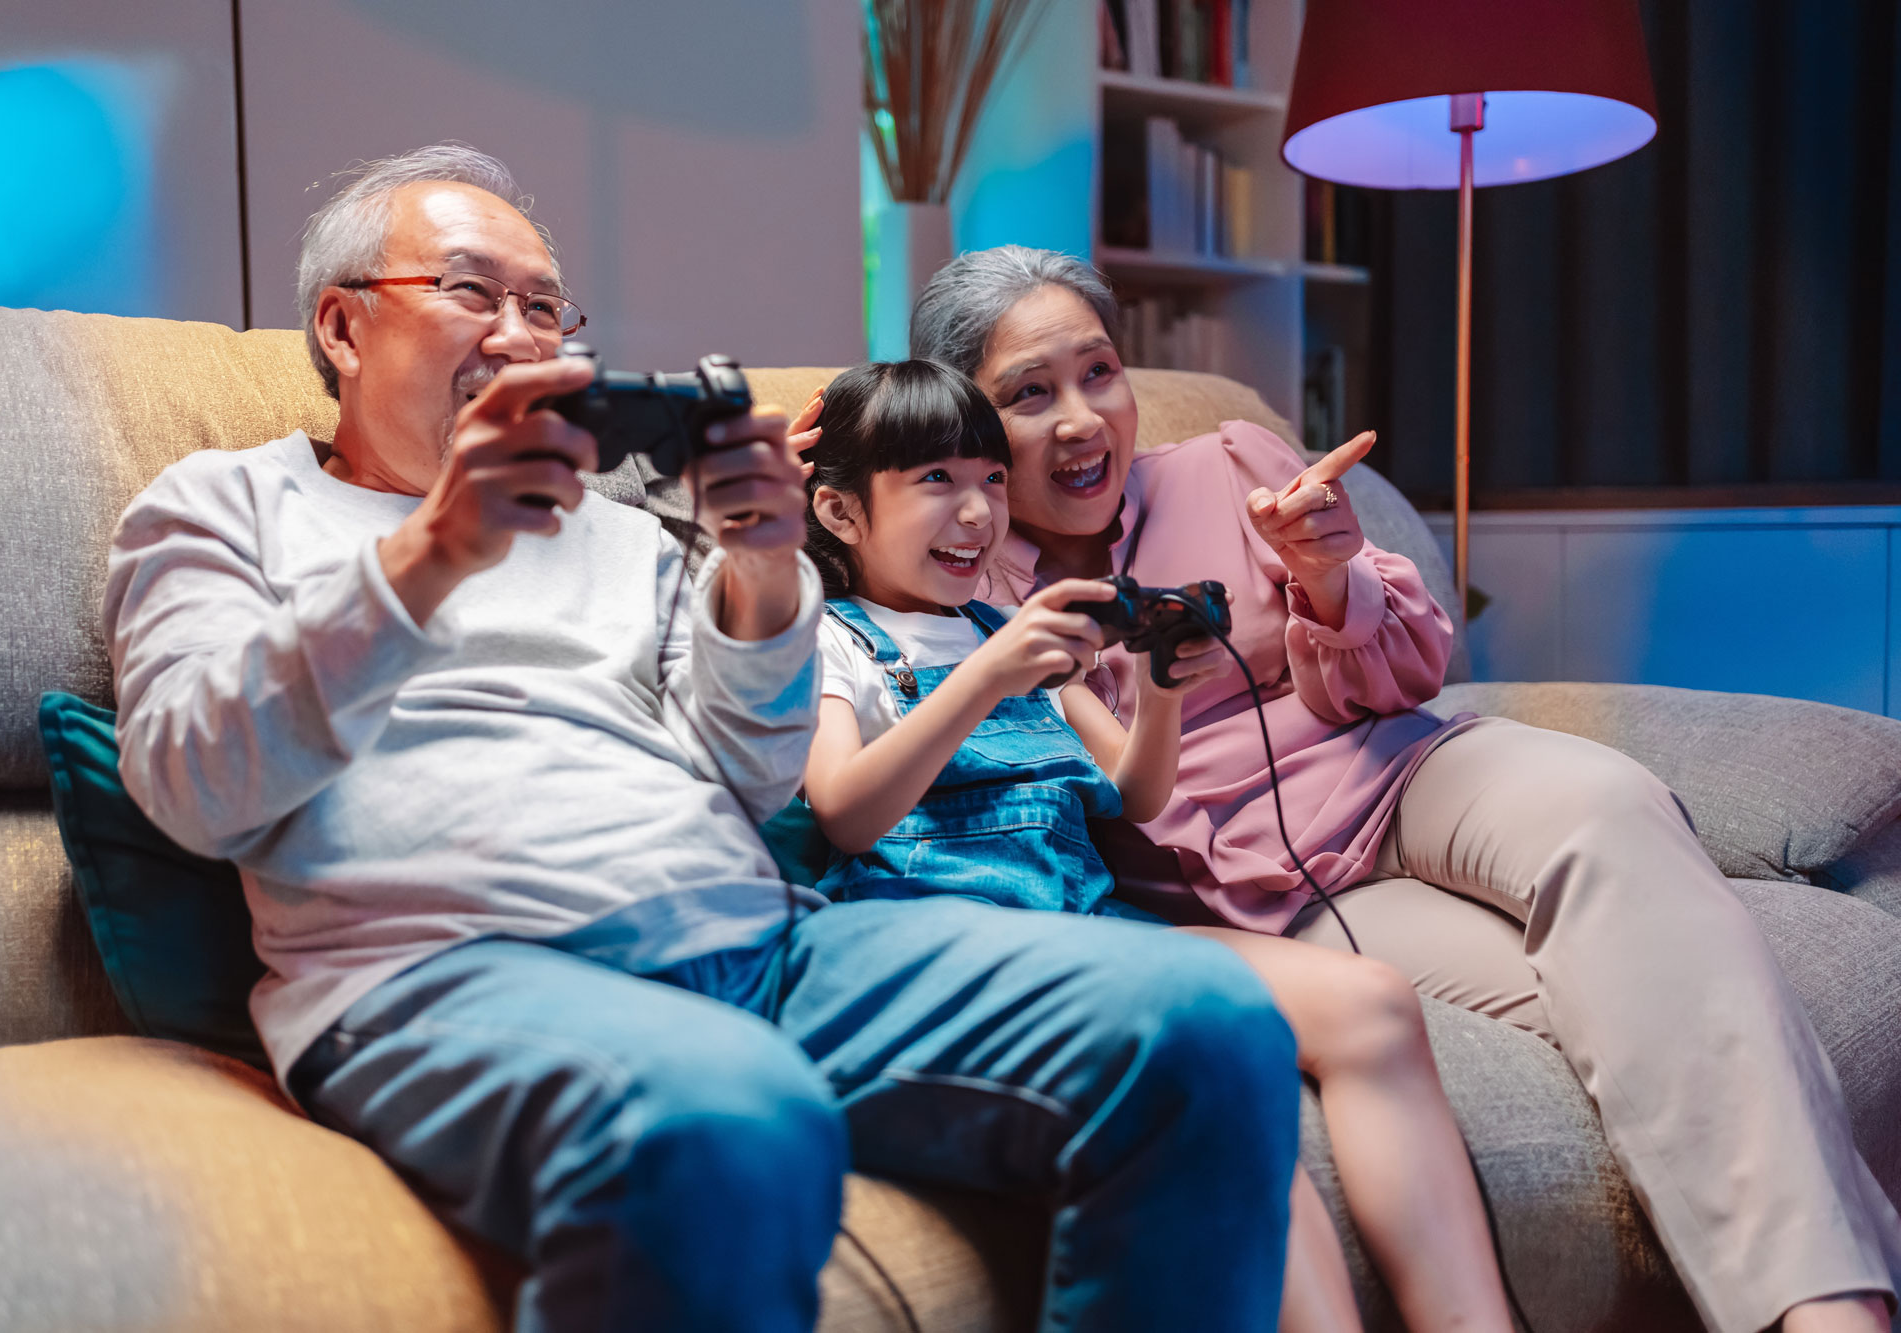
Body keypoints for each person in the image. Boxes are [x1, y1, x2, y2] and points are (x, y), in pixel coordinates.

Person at [101, 147, 1303, 1333]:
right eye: (473, 291)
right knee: (730, 1117)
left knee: (1204, 1019)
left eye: (544, 307)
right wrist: (435, 550)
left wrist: (765, 569)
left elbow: (756, 769)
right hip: (445, 974)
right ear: (343, 327)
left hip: (760, 945)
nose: (524, 336)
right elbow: (193, 787)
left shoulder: (619, 536)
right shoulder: (220, 506)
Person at [901, 243, 1901, 1333]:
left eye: (1098, 372)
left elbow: (1413, 664)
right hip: (1263, 895)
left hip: (1399, 764)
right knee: (1637, 988)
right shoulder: (960, 570)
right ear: (966, 419)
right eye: (1027, 395)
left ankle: (1824, 1317)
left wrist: (1329, 577)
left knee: (1605, 805)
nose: (1082, 418)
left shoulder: (1225, 464)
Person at [793, 355, 1514, 1333]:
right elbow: (841, 810)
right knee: (1221, 1063)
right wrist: (981, 680)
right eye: (935, 482)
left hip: (1089, 918)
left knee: (1371, 1001)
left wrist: (1163, 689)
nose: (975, 514)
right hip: (946, 936)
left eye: (989, 481)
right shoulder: (826, 639)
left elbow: (1134, 794)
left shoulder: (1004, 625)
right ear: (840, 513)